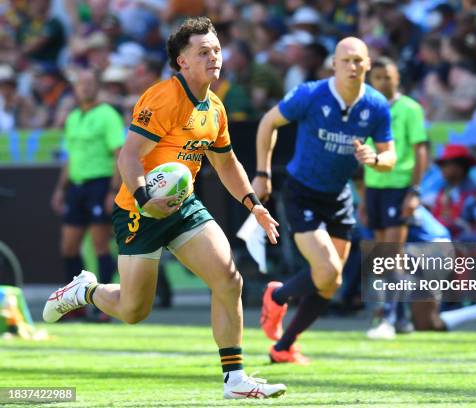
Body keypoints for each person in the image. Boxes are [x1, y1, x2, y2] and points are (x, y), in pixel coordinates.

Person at [43, 17, 286, 399]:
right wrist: (146, 201)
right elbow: (128, 158)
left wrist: (253, 205)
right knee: (134, 310)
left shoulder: (215, 108)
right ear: (181, 62)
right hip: (139, 210)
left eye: (217, 50)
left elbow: (226, 163)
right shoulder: (163, 98)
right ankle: (86, 290)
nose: (214, 57)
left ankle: (234, 379)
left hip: (183, 205)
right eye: (203, 51)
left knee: (229, 279)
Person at [253, 37, 396, 364]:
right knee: (327, 270)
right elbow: (267, 122)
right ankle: (276, 296)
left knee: (331, 284)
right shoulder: (311, 94)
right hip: (302, 192)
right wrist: (262, 173)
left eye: (358, 60)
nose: (352, 66)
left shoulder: (376, 106)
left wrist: (373, 158)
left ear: (369, 64)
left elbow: (391, 158)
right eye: (345, 60)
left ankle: (283, 346)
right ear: (333, 64)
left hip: (339, 197)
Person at [359, 56, 428, 339]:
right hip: (374, 187)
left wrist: (414, 191)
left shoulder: (411, 109)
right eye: (378, 77)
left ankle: (387, 317)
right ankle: (401, 317)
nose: (383, 82)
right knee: (382, 256)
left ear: (397, 78)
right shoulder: (368, 110)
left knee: (391, 255)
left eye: (388, 76)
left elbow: (421, 151)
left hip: (399, 187)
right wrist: (363, 196)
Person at [50, 68, 124, 322]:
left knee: (100, 245)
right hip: (77, 187)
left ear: (97, 86)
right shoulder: (73, 118)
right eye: (80, 83)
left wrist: (113, 190)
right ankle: (76, 303)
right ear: (75, 88)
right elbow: (70, 158)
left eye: (89, 83)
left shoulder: (108, 115)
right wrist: (61, 188)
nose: (84, 87)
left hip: (100, 184)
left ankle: (107, 306)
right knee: (69, 247)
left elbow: (119, 154)